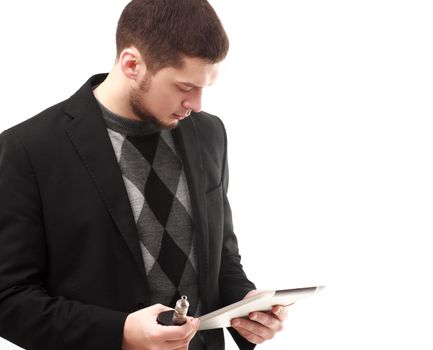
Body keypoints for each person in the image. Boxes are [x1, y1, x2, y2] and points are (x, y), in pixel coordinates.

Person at [0, 0, 287, 349]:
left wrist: (245, 305)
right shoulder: (28, 149)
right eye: (184, 87)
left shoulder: (209, 133)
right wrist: (120, 332)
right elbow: (9, 300)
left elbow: (222, 258)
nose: (197, 104)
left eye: (204, 87)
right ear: (132, 64)